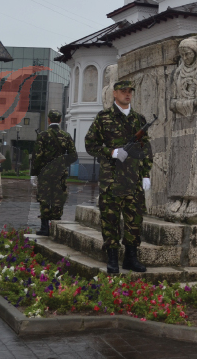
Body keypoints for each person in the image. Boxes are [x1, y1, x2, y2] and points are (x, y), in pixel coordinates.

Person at [85, 81, 153, 274]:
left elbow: (146, 150)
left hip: (133, 181)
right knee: (110, 221)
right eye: (123, 91)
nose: (127, 94)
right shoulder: (103, 118)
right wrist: (112, 152)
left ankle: (131, 259)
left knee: (134, 222)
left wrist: (146, 174)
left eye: (130, 91)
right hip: (111, 181)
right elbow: (90, 145)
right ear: (114, 93)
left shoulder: (139, 119)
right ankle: (113, 259)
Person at [32, 110, 78, 237]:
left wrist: (34, 173)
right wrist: (62, 162)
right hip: (60, 173)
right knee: (58, 198)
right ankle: (56, 227)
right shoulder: (66, 135)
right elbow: (74, 156)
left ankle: (45, 228)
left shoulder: (42, 135)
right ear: (60, 120)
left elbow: (37, 156)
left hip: (45, 173)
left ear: (48, 120)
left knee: (45, 198)